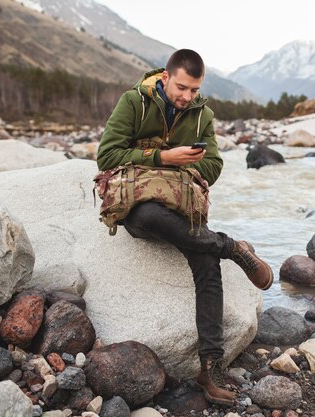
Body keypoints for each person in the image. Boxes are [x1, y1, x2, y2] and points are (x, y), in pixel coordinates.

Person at [96, 49, 273, 406]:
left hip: (183, 207)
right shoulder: (134, 102)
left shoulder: (202, 114)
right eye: (181, 88)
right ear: (165, 77)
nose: (187, 96)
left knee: (205, 261)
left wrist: (186, 167)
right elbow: (107, 155)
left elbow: (214, 167)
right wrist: (162, 158)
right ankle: (232, 248)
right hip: (140, 206)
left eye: (194, 90)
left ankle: (210, 365)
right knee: (147, 217)